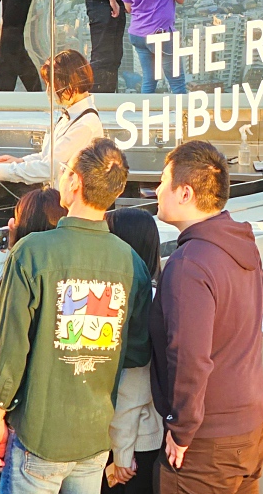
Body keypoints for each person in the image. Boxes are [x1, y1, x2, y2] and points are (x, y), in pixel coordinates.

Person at [0, 139, 152, 494]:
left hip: (41, 434)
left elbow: (10, 345)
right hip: (94, 437)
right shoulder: (131, 263)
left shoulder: (31, 252)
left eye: (65, 171)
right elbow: (135, 353)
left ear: (75, 183)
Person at [150, 140, 263, 493]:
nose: (156, 191)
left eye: (162, 181)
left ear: (185, 193)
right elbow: (260, 305)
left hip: (207, 444)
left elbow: (190, 357)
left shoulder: (190, 263)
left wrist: (181, 428)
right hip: (252, 427)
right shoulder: (242, 243)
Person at [0, 50, 104, 187]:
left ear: (69, 84)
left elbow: (50, 168)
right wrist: (20, 161)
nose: (49, 91)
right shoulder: (73, 115)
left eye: (53, 85)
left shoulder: (85, 124)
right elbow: (48, 157)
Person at [103, 208, 164, 494]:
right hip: (145, 438)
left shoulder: (136, 300)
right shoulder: (158, 293)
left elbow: (133, 388)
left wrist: (122, 453)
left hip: (130, 445)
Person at [121, 0, 187, 95]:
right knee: (177, 84)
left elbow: (128, 7)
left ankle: (145, 116)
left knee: (149, 81)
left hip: (138, 34)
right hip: (161, 32)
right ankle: (183, 118)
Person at [0, 187, 67, 277]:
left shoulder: (22, 270)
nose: (11, 222)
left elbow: (5, 296)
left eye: (17, 219)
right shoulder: (69, 261)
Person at [86, 0, 128, 93]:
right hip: (102, 2)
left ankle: (108, 97)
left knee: (115, 55)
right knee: (103, 56)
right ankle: (98, 100)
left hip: (116, 0)